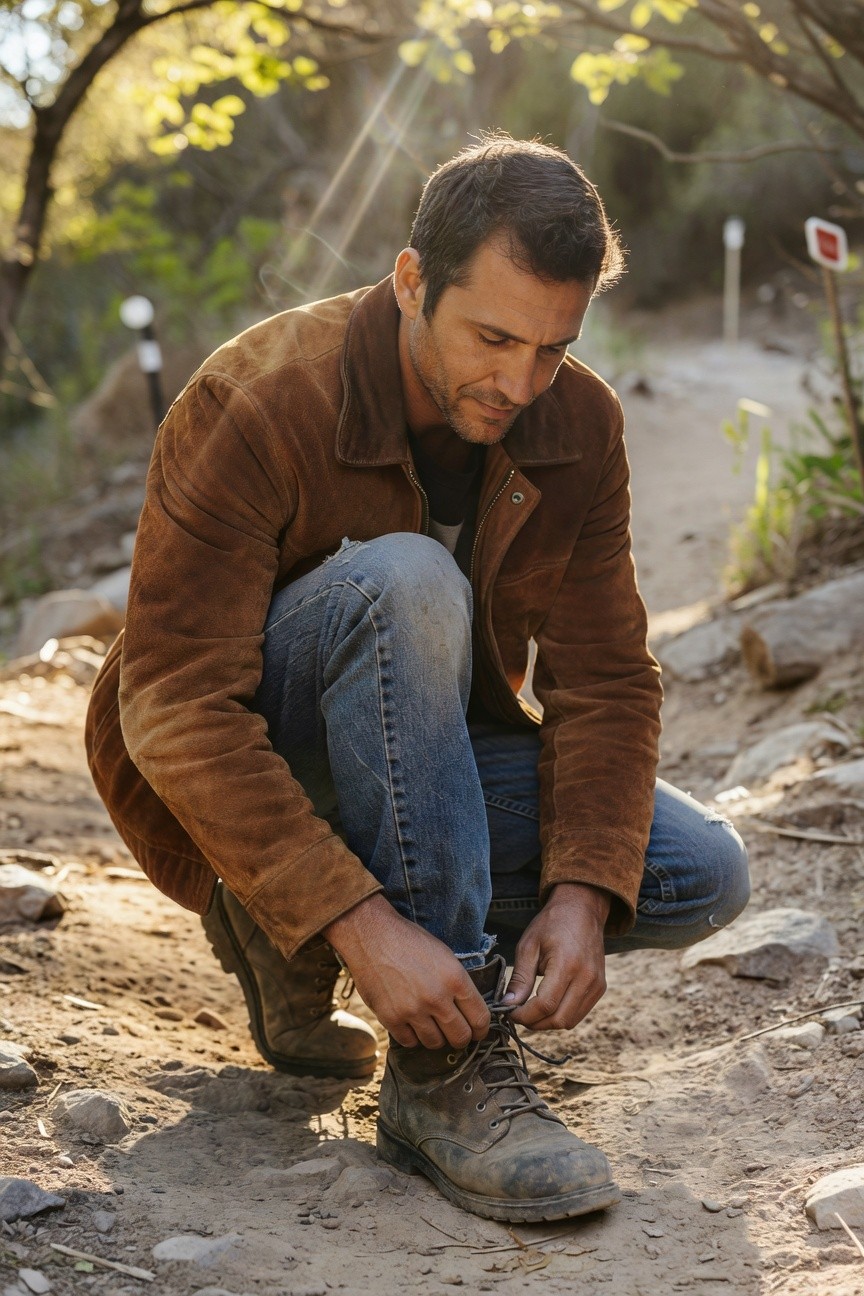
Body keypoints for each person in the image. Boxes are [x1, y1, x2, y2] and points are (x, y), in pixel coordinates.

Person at [86, 133, 749, 1225]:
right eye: (493, 337)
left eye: (552, 346)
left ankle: (283, 934)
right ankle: (445, 1073)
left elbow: (608, 680)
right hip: (245, 759)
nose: (521, 381)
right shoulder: (254, 399)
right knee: (407, 578)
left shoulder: (578, 424)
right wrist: (361, 925)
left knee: (692, 872)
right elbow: (171, 706)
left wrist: (584, 893)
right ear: (409, 282)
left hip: (414, 750)